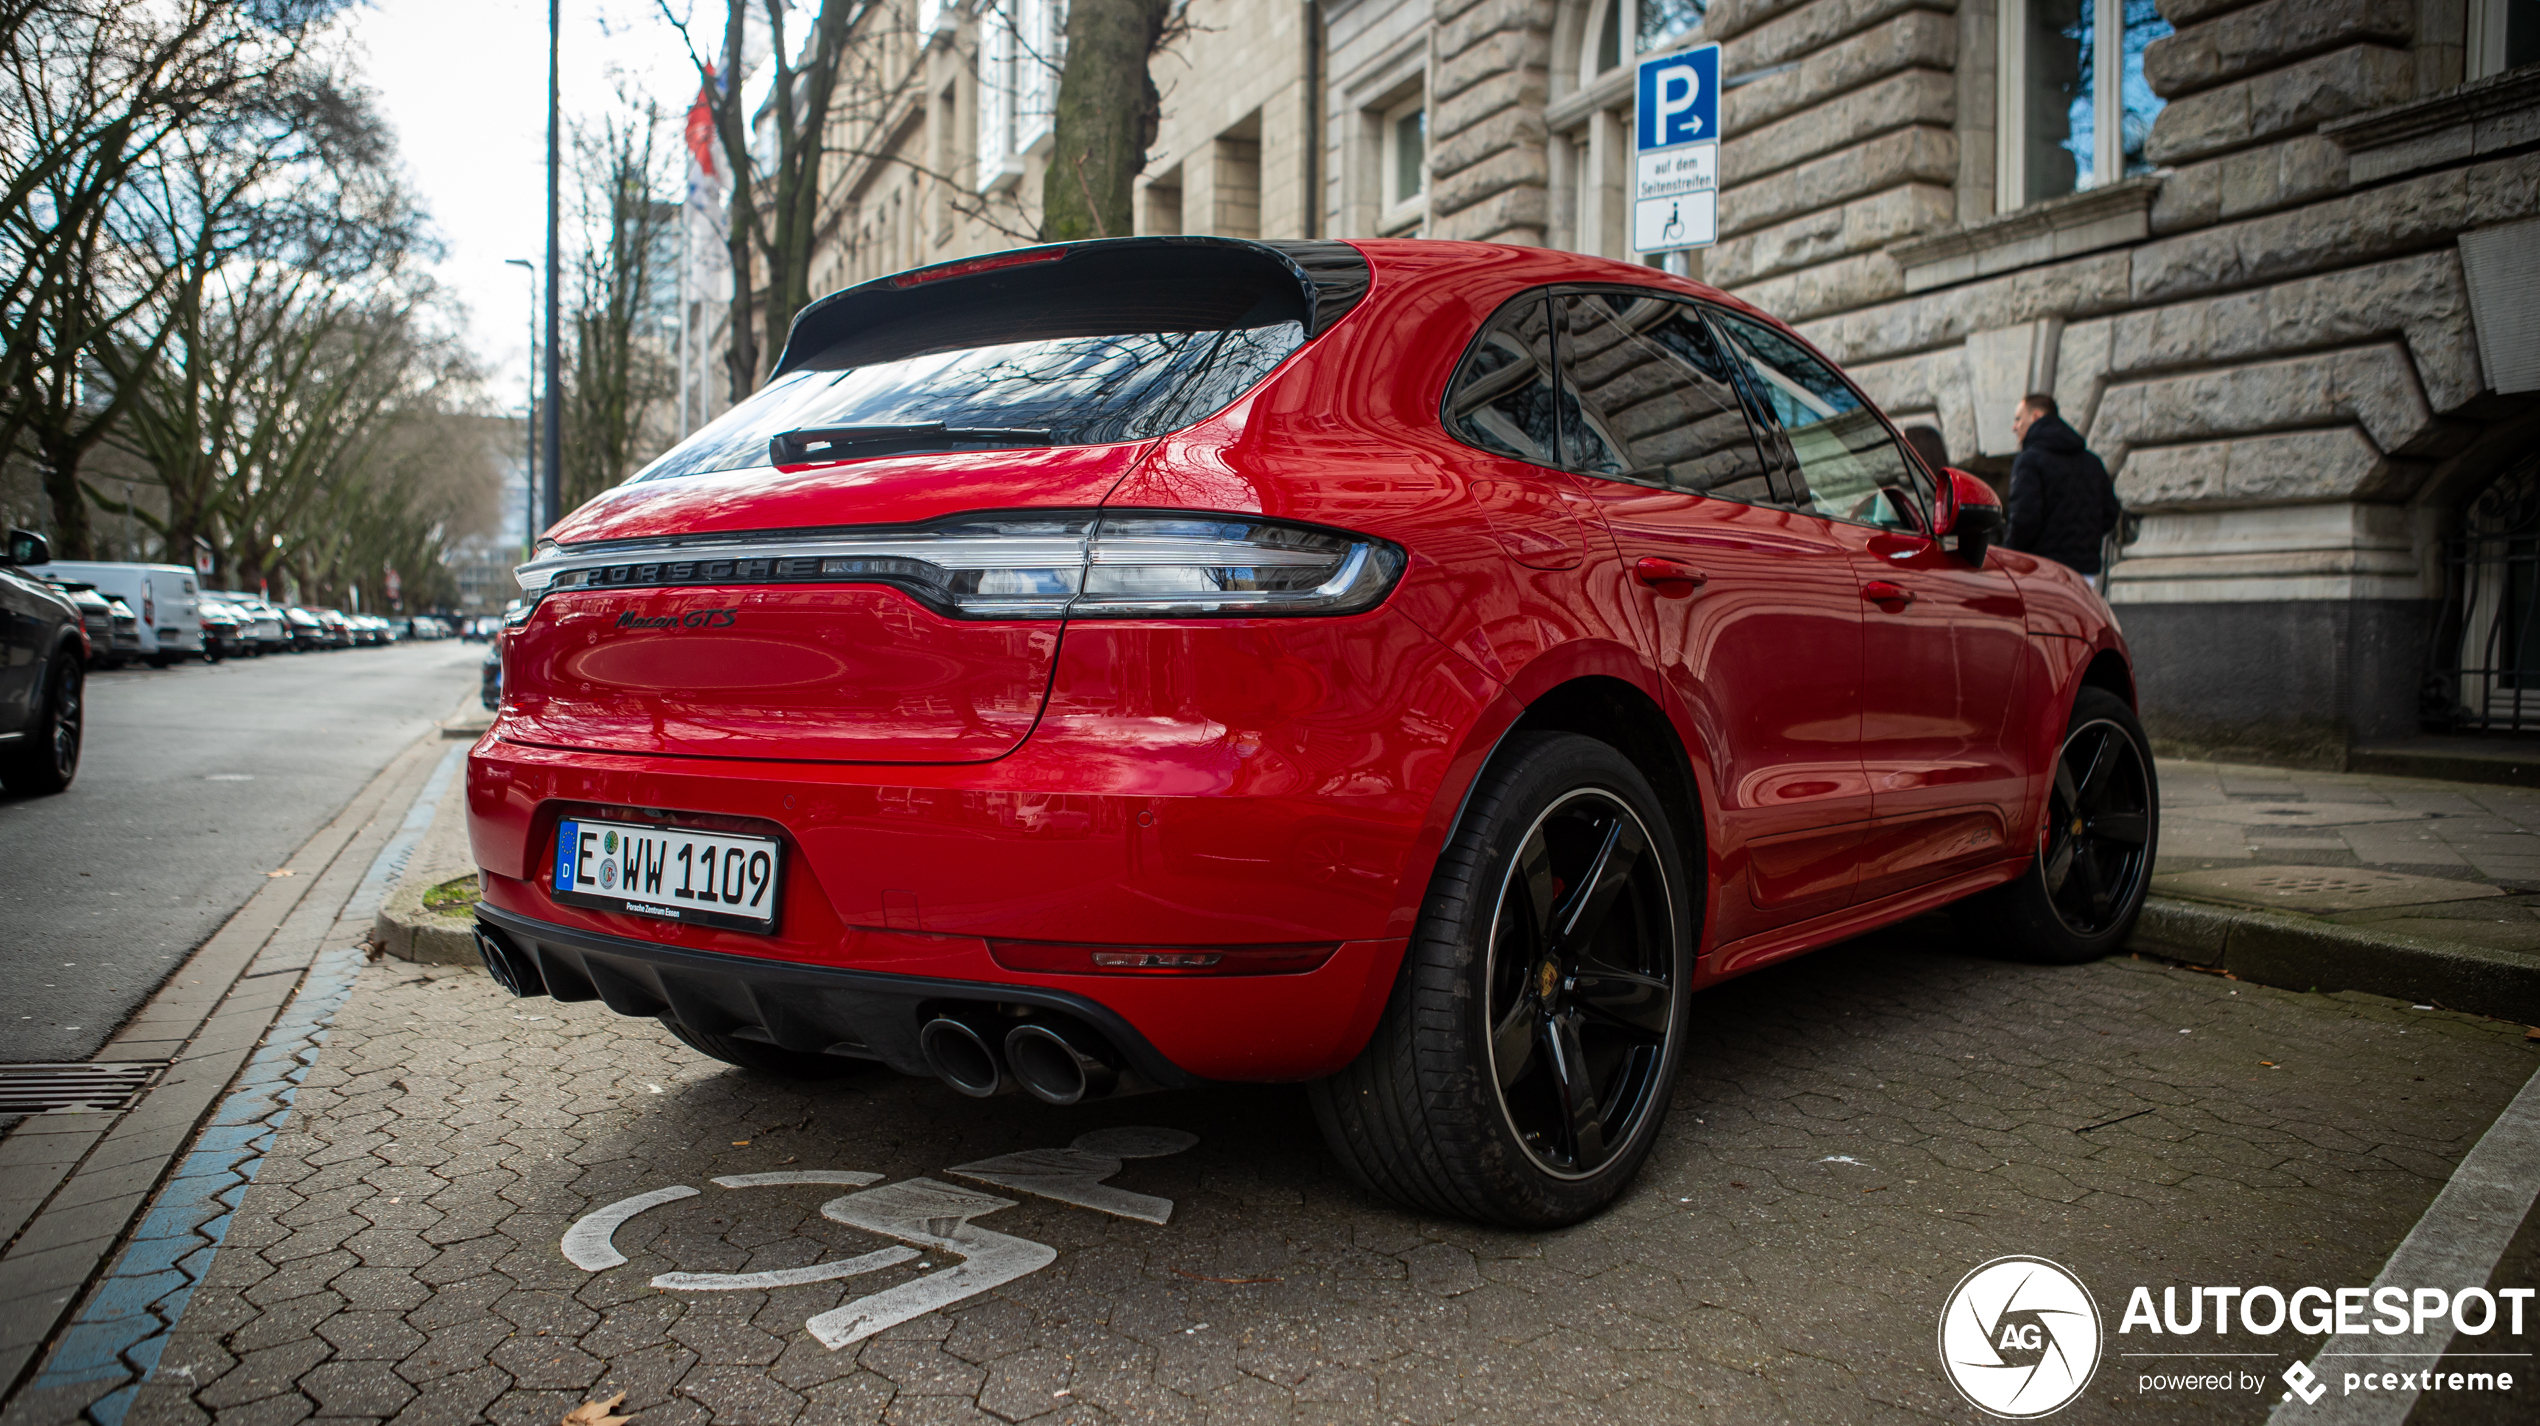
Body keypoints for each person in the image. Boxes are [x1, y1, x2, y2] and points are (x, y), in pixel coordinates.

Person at [2005, 393, 2122, 578]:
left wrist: (2008, 556)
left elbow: (2024, 519)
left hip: (2042, 572)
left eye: (2018, 419)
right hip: (2085, 576)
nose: (2014, 427)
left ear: (2035, 416)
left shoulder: (2029, 460)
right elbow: (2110, 513)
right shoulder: (2092, 462)